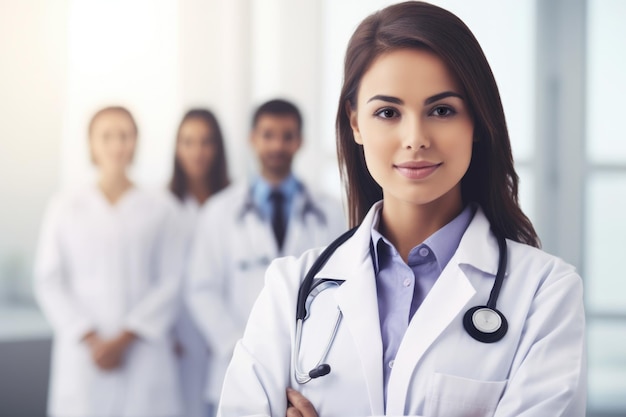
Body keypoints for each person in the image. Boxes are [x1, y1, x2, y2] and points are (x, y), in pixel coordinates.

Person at [217, 2, 586, 417]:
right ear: (355, 123)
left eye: (442, 110)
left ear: (477, 121)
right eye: (388, 112)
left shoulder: (545, 294)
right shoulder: (290, 288)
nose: (415, 138)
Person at [187, 99, 346, 410]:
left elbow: (339, 288)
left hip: (305, 371)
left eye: (287, 136)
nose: (277, 145)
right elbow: (201, 289)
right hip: (233, 364)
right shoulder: (219, 211)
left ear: (299, 141)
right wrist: (244, 347)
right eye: (268, 135)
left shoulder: (329, 212)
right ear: (252, 139)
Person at [34, 106, 185, 417]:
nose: (117, 145)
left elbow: (172, 280)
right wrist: (91, 339)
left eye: (125, 136)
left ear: (136, 142)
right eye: (106, 136)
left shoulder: (162, 207)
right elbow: (49, 279)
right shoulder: (65, 206)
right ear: (91, 144)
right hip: (83, 354)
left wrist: (125, 338)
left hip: (143, 350)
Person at [167, 109, 230, 417]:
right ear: (177, 148)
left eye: (206, 142)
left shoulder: (235, 204)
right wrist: (168, 333)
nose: (197, 152)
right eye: (188, 142)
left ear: (218, 148)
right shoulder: (163, 204)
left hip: (227, 332)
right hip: (177, 336)